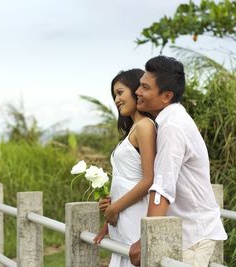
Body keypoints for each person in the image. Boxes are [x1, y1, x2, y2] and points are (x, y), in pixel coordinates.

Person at [129, 55, 227, 267]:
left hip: (193, 236)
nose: (137, 92)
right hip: (186, 232)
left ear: (166, 96)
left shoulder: (173, 126)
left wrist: (144, 240)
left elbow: (162, 187)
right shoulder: (169, 121)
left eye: (145, 87)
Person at [92, 69, 157, 267]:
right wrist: (108, 217)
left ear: (136, 90)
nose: (117, 99)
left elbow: (149, 180)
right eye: (114, 96)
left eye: (120, 92)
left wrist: (115, 208)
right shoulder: (133, 129)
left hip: (135, 216)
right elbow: (124, 180)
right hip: (123, 218)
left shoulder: (145, 126)